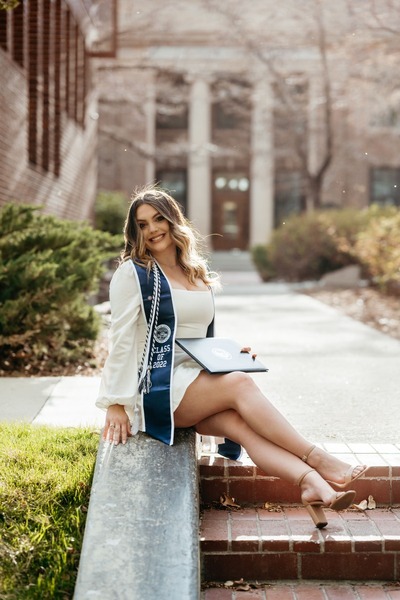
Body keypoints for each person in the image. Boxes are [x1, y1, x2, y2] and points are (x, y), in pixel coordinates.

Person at [96, 185, 368, 529]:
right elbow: (119, 339)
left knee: (241, 426)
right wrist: (115, 403)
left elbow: (195, 335)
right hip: (154, 387)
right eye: (143, 224)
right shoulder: (134, 274)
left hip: (192, 382)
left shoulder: (194, 272)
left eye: (158, 219)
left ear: (173, 220)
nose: (152, 230)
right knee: (239, 385)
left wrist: (230, 354)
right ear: (135, 231)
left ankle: (312, 485)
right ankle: (319, 459)